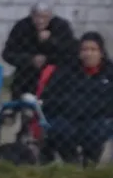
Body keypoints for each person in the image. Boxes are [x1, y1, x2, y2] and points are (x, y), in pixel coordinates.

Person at [41, 32, 113, 166]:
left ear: (101, 53)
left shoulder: (109, 72)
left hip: (99, 117)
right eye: (84, 49)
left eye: (93, 49)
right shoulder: (65, 71)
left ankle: (90, 163)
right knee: (61, 130)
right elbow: (50, 96)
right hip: (67, 116)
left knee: (96, 131)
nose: (88, 54)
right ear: (79, 53)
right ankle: (71, 162)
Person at [2, 0, 77, 99]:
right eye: (37, 16)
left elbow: (70, 52)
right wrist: (30, 59)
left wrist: (50, 41)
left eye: (44, 17)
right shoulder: (22, 27)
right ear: (31, 15)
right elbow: (7, 53)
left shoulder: (61, 27)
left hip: (55, 77)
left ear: (51, 16)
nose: (40, 21)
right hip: (26, 78)